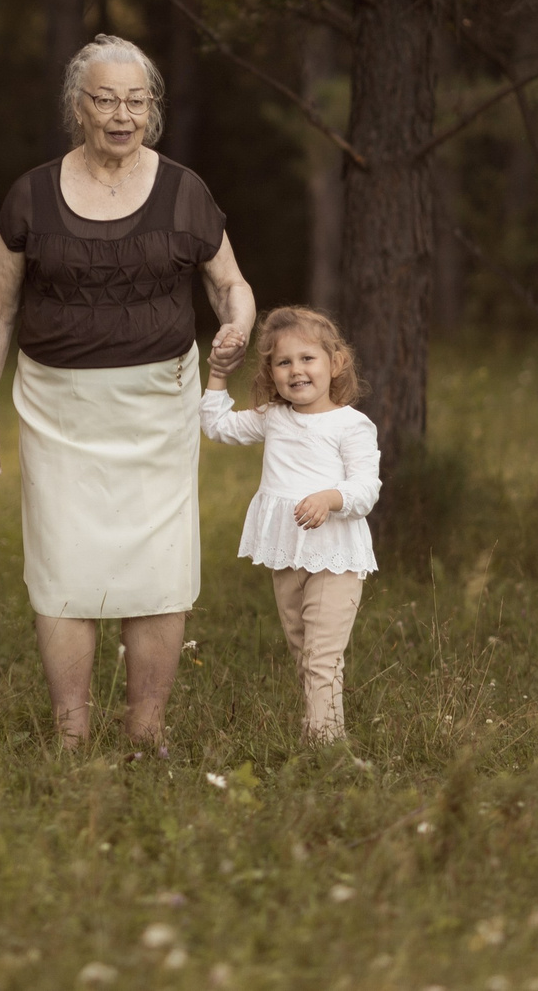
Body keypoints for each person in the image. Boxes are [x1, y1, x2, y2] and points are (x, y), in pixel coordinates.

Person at [0, 34, 254, 749]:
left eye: (136, 101)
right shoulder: (32, 194)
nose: (123, 115)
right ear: (78, 106)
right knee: (63, 568)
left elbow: (229, 283)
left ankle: (146, 731)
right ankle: (72, 736)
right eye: (106, 100)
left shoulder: (185, 190)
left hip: (159, 408)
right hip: (57, 410)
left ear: (151, 108)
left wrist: (240, 324)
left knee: (159, 570)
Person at [200, 305, 381, 745]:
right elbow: (217, 426)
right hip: (287, 553)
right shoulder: (274, 417)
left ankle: (324, 742)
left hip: (335, 556)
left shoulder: (351, 425)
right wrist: (218, 375)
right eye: (283, 362)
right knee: (304, 652)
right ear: (271, 372)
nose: (296, 370)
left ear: (335, 363)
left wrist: (329, 498)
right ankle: (320, 732)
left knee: (322, 656)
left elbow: (365, 488)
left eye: (307, 358)